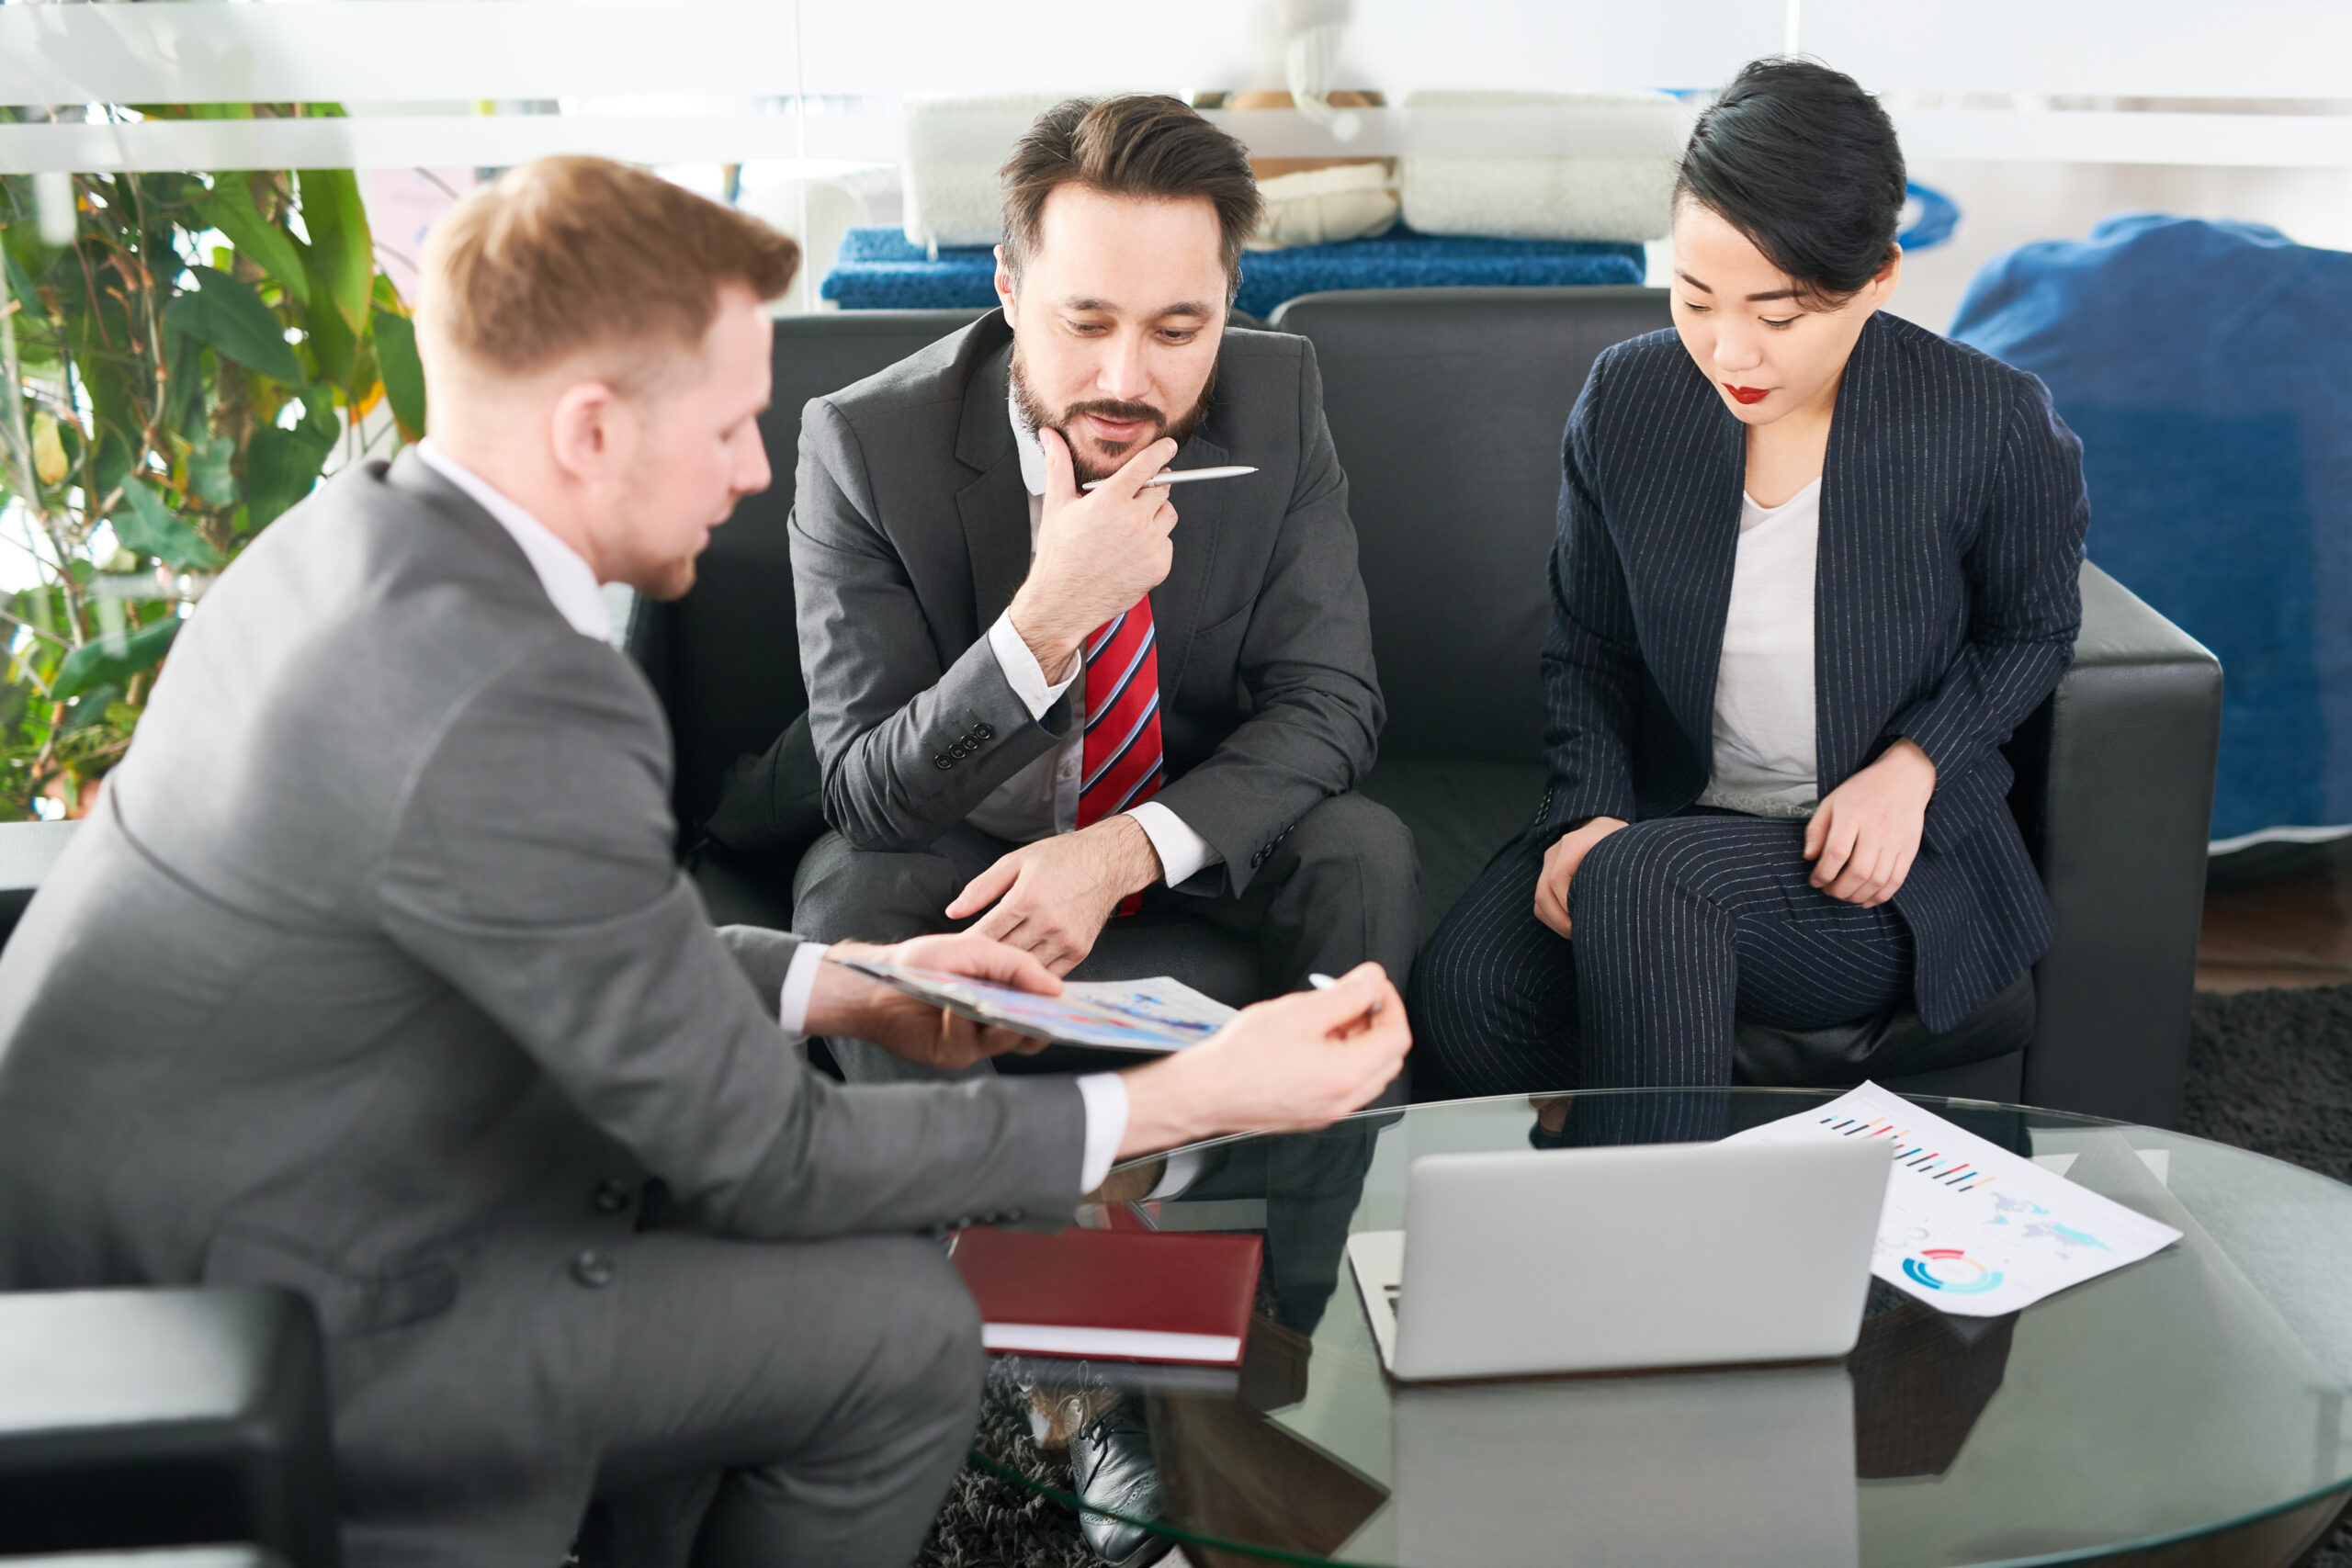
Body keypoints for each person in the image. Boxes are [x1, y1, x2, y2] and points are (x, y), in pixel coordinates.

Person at [0, 156, 1411, 1568]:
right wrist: (1187, 1094)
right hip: (297, 1303)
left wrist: (845, 982)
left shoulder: (352, 543)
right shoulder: (520, 692)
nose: (750, 471)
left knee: (822, 1270)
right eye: (731, 424)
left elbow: (566, 945)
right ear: (592, 428)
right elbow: (773, 1152)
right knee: (901, 1329)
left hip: (238, 1200)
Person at [1413, 59, 2088, 1100]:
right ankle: (1689, 1162)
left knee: (1645, 888)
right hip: (1669, 816)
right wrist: (1587, 812)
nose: (1731, 352)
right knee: (1467, 989)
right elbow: (1589, 649)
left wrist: (1913, 767)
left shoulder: (1985, 418)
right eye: (1696, 299)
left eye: (1778, 318)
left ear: (1878, 278)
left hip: (1867, 864)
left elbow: (2033, 629)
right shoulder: (1629, 397)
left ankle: (1656, 1201)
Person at [788, 94, 1418, 1084]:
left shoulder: (1280, 400)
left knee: (1362, 850)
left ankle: (1313, 1184)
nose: (1125, 381)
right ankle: (949, 1187)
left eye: (1178, 330)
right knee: (850, 904)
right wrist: (1048, 617)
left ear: (1226, 301)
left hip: (1184, 832)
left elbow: (1331, 701)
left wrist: (1120, 853)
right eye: (1085, 322)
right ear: (1008, 288)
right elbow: (870, 796)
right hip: (960, 840)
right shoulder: (865, 446)